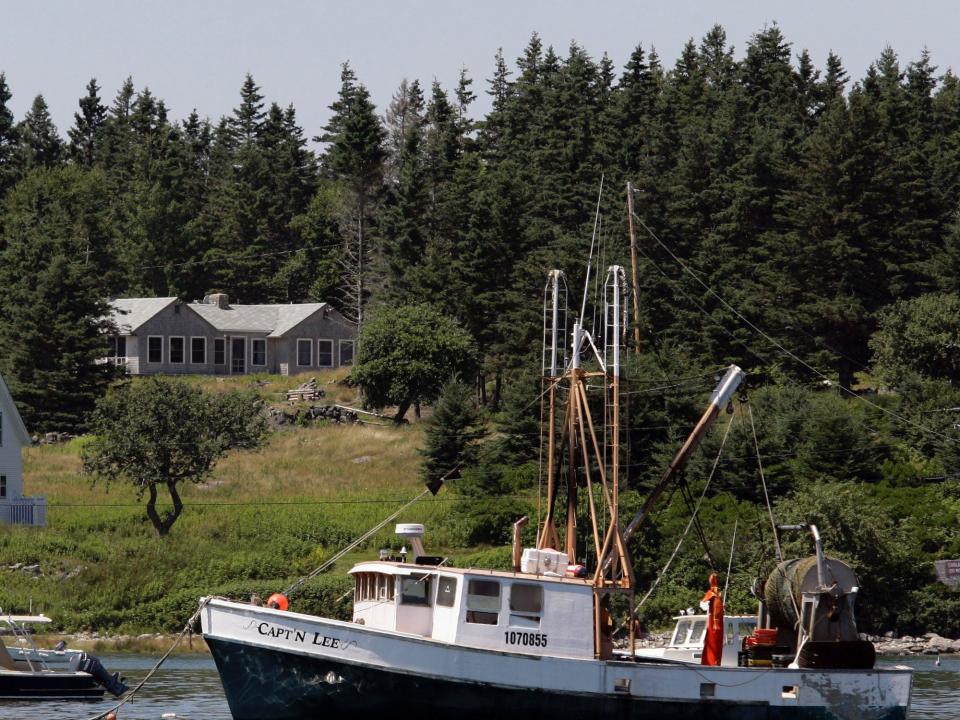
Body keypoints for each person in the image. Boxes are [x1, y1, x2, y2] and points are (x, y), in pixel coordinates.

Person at [699, 573, 724, 666]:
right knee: (712, 643)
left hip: (716, 623)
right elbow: (704, 604)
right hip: (714, 622)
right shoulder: (713, 594)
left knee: (715, 643)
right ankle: (711, 662)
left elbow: (717, 610)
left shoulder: (715, 595)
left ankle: (713, 662)